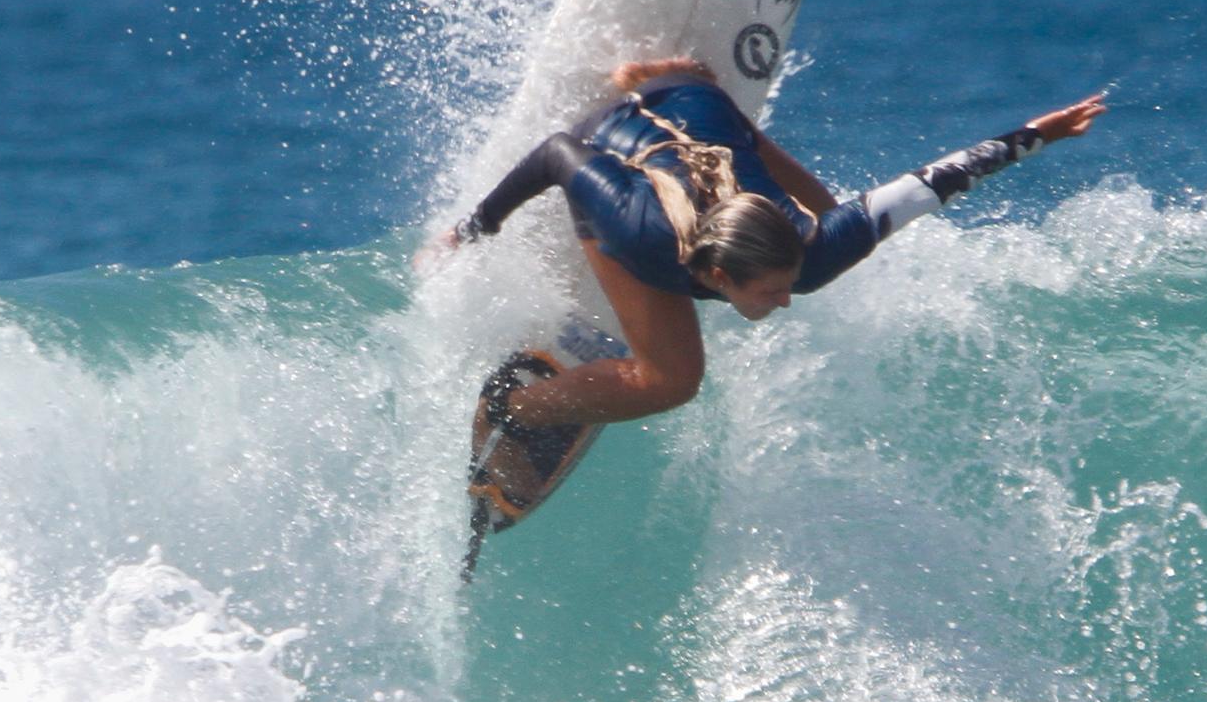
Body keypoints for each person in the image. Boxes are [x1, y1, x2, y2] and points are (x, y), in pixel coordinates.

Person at [445, 56, 1109, 438]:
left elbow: (927, 184)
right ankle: (513, 409)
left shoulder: (812, 252)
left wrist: (1035, 136)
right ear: (715, 274)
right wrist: (477, 226)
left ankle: (679, 71)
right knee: (672, 380)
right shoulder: (641, 230)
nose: (787, 300)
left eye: (784, 282)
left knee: (814, 195)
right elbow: (558, 154)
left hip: (701, 105)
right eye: (768, 290)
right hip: (619, 136)